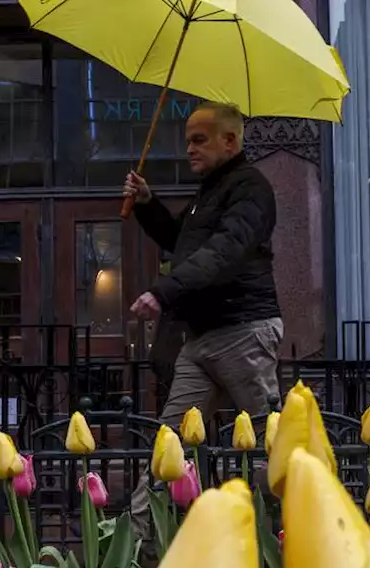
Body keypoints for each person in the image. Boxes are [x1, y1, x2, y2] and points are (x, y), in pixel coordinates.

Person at [124, 101, 282, 536]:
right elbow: (184, 243)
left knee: (276, 449)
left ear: (229, 141)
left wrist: (164, 291)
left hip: (243, 332)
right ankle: (134, 549)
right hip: (202, 337)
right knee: (168, 444)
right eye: (188, 139)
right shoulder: (209, 193)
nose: (189, 149)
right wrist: (147, 203)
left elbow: (225, 252)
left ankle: (305, 541)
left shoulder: (251, 188)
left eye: (199, 139)